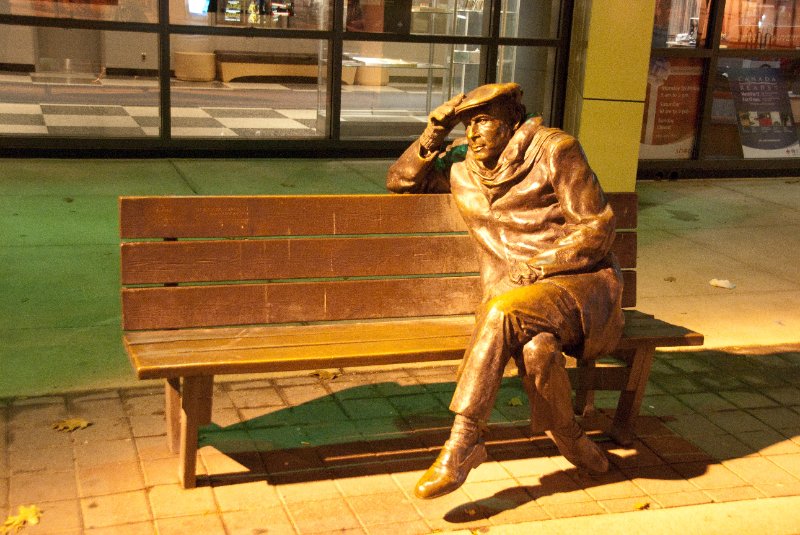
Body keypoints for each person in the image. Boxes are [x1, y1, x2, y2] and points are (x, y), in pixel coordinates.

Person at [386, 83, 624, 500]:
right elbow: (400, 181)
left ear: (511, 119)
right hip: (515, 297)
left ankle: (463, 441)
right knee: (537, 350)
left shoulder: (555, 150)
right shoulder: (461, 164)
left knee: (501, 314)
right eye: (466, 124)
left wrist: (537, 266)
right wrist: (432, 135)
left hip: (576, 285)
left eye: (482, 121)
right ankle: (568, 433)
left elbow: (597, 228)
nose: (473, 133)